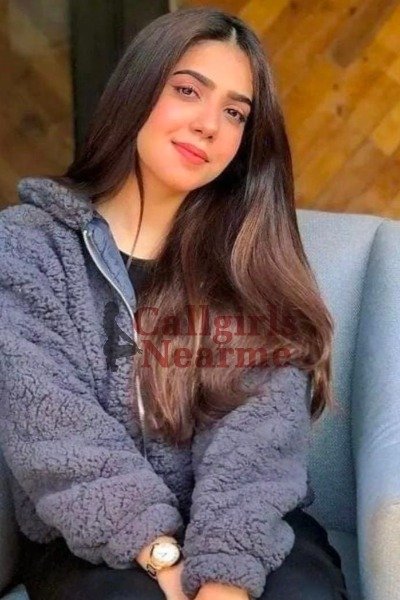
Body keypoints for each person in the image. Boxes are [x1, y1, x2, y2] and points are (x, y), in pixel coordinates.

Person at [0, 6, 349, 600]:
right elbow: (51, 425)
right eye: (188, 90)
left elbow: (259, 437)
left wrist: (224, 577)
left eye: (235, 112)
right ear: (137, 90)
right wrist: (160, 553)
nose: (210, 124)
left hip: (248, 525)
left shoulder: (247, 258)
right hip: (91, 538)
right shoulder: (27, 245)